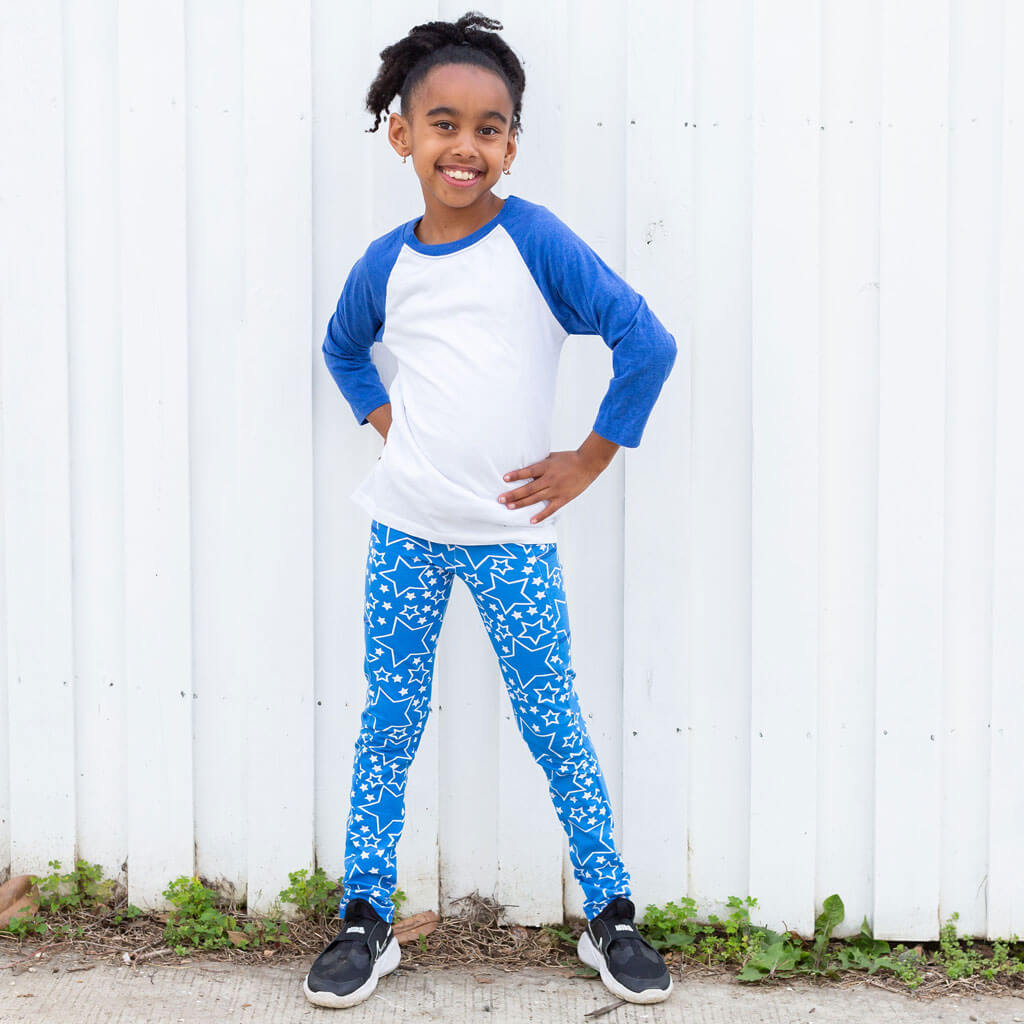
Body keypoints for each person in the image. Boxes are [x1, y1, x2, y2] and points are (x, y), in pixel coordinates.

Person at [304, 10, 678, 1011]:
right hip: (406, 531)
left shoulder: (536, 242)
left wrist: (589, 459)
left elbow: (644, 340)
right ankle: (363, 920)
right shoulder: (386, 264)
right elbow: (343, 348)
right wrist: (385, 419)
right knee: (388, 723)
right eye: (442, 123)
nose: (464, 146)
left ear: (511, 141)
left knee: (553, 722)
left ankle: (612, 914)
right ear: (401, 133)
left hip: (510, 539)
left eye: (490, 126)